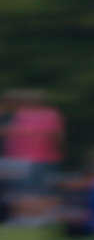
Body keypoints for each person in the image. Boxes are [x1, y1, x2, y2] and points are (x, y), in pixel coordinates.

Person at [4, 90, 64, 220]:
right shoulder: (22, 115)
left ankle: (34, 218)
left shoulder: (45, 115)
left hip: (34, 159)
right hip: (24, 159)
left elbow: (56, 137)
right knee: (28, 190)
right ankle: (29, 217)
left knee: (32, 190)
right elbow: (57, 137)